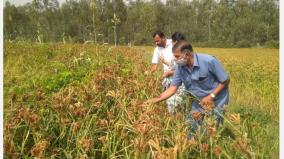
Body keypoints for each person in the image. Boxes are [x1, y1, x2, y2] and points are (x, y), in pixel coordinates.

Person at [144, 40, 230, 136]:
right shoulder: (180, 69)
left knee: (212, 129)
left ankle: (209, 147)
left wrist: (211, 96)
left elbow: (225, 80)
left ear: (187, 54)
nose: (175, 59)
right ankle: (194, 147)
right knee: (191, 126)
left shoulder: (209, 61)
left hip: (217, 98)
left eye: (177, 56)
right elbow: (172, 89)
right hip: (199, 101)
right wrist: (152, 101)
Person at [145, 31, 184, 113]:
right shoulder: (157, 49)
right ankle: (173, 117)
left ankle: (178, 115)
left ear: (163, 37)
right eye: (155, 41)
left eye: (158, 41)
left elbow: (183, 66)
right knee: (169, 99)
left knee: (175, 100)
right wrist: (149, 73)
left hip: (178, 75)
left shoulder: (175, 43)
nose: (156, 43)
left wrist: (170, 69)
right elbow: (154, 65)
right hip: (168, 77)